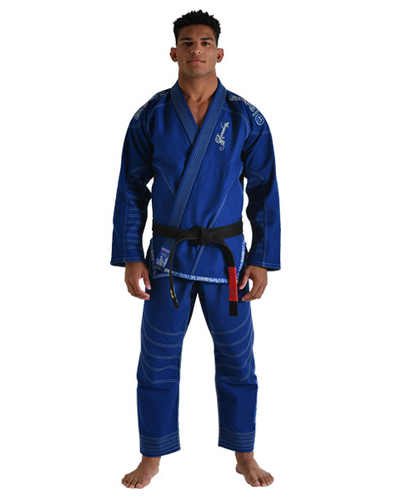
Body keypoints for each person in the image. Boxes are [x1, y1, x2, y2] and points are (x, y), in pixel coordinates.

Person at [110, 10, 281, 488]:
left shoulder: (246, 117)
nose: (196, 50)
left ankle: (244, 453)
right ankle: (152, 455)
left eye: (205, 42)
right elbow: (130, 190)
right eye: (187, 42)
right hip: (167, 259)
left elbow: (264, 192)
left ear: (219, 52)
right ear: (174, 52)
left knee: (238, 360)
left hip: (227, 261)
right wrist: (132, 255)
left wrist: (261, 259)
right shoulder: (150, 116)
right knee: (157, 362)